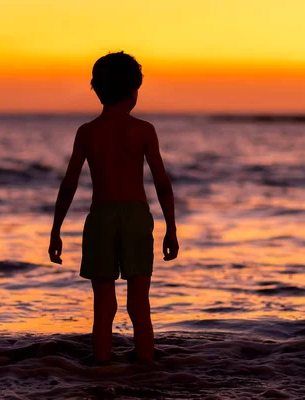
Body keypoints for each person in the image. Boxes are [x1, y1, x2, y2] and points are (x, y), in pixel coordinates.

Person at [48, 51, 179, 364]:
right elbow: (162, 184)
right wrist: (171, 228)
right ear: (134, 91)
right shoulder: (144, 130)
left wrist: (56, 230)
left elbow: (69, 186)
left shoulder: (88, 132)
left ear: (96, 89)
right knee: (139, 303)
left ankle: (102, 367)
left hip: (101, 218)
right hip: (136, 217)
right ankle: (146, 365)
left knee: (103, 304)